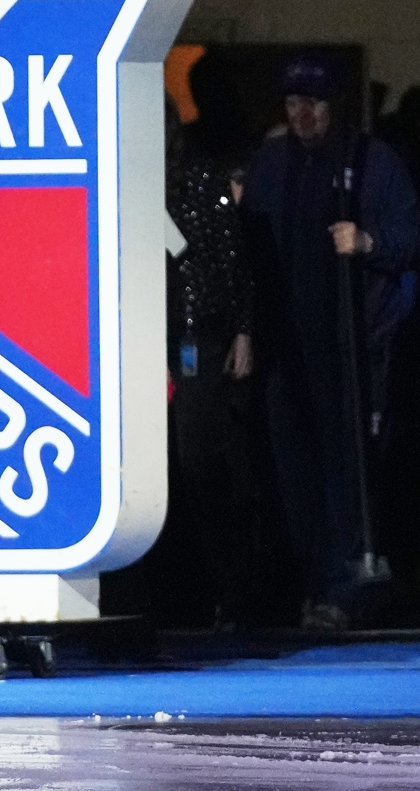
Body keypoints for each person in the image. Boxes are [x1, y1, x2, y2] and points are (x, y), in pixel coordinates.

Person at [241, 56, 419, 630]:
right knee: (294, 475)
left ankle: (347, 590)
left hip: (350, 348)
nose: (304, 115)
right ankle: (313, 588)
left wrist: (367, 241)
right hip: (285, 348)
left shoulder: (370, 161)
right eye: (294, 102)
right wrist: (246, 330)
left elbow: (408, 235)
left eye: (314, 103)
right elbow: (248, 253)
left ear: (334, 105)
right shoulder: (272, 164)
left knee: (348, 471)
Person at [161, 96, 257, 629]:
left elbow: (230, 256)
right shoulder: (121, 179)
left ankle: (231, 591)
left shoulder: (198, 177)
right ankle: (180, 596)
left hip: (196, 334)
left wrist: (243, 328)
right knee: (166, 469)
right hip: (144, 338)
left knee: (199, 462)